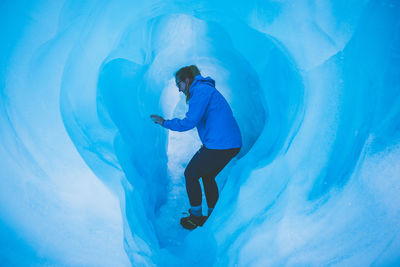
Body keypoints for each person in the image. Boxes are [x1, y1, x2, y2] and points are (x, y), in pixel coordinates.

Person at [150, 65, 242, 230]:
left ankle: (196, 217)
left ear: (187, 80)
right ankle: (212, 215)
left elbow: (189, 122)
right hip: (229, 144)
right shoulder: (204, 90)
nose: (179, 90)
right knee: (207, 176)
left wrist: (164, 122)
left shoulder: (200, 91)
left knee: (191, 174)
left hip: (220, 145)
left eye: (179, 84)